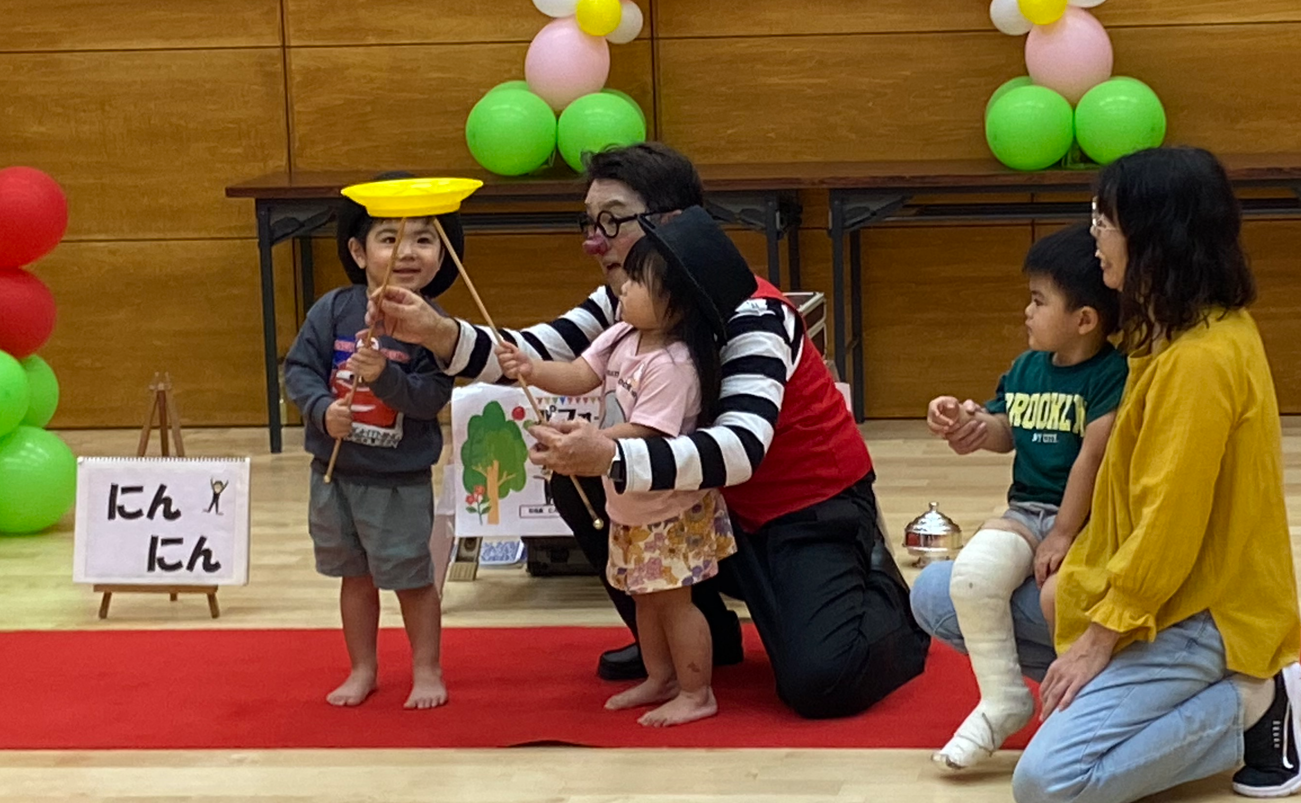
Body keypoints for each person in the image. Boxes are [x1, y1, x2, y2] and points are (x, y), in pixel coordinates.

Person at [370, 143, 930, 719]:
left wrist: (610, 455)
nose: (595, 241)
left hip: (803, 513)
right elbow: (537, 354)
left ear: (673, 223)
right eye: (590, 223)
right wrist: (436, 332)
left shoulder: (755, 314)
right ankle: (684, 637)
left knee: (822, 683)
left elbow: (740, 450)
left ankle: (882, 590)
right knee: (578, 484)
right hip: (710, 508)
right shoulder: (627, 300)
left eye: (612, 221)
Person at [914, 147, 1301, 803]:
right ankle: (1140, 693)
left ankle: (1251, 702)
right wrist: (985, 427)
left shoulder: (1199, 361)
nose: (1093, 235)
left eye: (1104, 220)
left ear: (1154, 237)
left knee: (1048, 785)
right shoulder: (1159, 331)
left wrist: (1098, 638)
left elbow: (1168, 526)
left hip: (1194, 613)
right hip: (1143, 588)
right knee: (937, 593)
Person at [498, 208, 748, 726]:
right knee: (644, 597)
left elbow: (649, 434)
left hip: (669, 508)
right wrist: (531, 369)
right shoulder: (621, 335)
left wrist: (587, 443)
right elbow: (578, 374)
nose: (623, 288)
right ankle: (661, 677)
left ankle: (697, 691)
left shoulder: (673, 365)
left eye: (637, 282)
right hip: (630, 503)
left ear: (678, 303)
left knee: (675, 603)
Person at [917, 224, 1126, 771]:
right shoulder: (1027, 368)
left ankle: (1082, 707)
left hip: (1084, 522)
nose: (1026, 313)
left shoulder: (1111, 374)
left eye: (1038, 301)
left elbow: (1092, 459)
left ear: (1084, 320)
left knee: (1062, 601)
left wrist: (1063, 533)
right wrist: (965, 425)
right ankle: (1004, 698)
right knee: (971, 575)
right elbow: (1004, 428)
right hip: (1025, 512)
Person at [284, 188, 463, 710]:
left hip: (398, 482)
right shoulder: (332, 311)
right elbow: (298, 370)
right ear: (359, 252)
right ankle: (362, 668)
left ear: (442, 255)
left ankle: (426, 669)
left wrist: (385, 376)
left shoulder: (435, 329)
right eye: (390, 239)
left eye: (424, 240)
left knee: (412, 580)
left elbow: (429, 399)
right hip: (336, 474)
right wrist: (322, 410)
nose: (407, 252)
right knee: (354, 578)